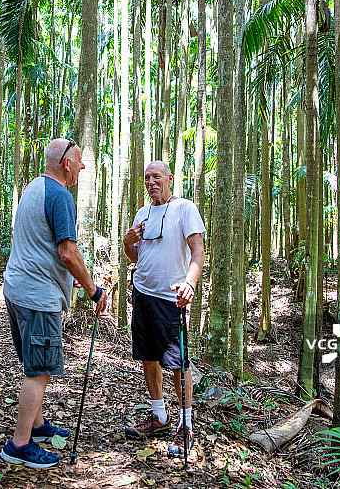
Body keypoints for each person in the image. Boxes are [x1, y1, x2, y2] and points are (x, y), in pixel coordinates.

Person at [0, 138, 108, 469]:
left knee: (35, 364)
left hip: (16, 288)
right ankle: (19, 444)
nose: (82, 167)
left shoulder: (34, 187)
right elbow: (67, 252)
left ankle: (37, 425)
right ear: (65, 164)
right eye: (78, 161)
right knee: (42, 369)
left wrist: (67, 275)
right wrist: (94, 290)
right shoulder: (60, 196)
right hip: (37, 296)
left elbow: (41, 245)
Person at [122, 160, 205, 459]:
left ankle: (186, 425)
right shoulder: (142, 213)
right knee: (148, 358)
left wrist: (190, 284)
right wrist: (127, 242)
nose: (151, 182)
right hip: (142, 294)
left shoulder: (185, 208)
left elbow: (198, 250)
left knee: (177, 364)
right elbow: (134, 257)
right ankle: (160, 417)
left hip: (170, 298)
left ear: (170, 178)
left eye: (157, 177)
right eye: (146, 178)